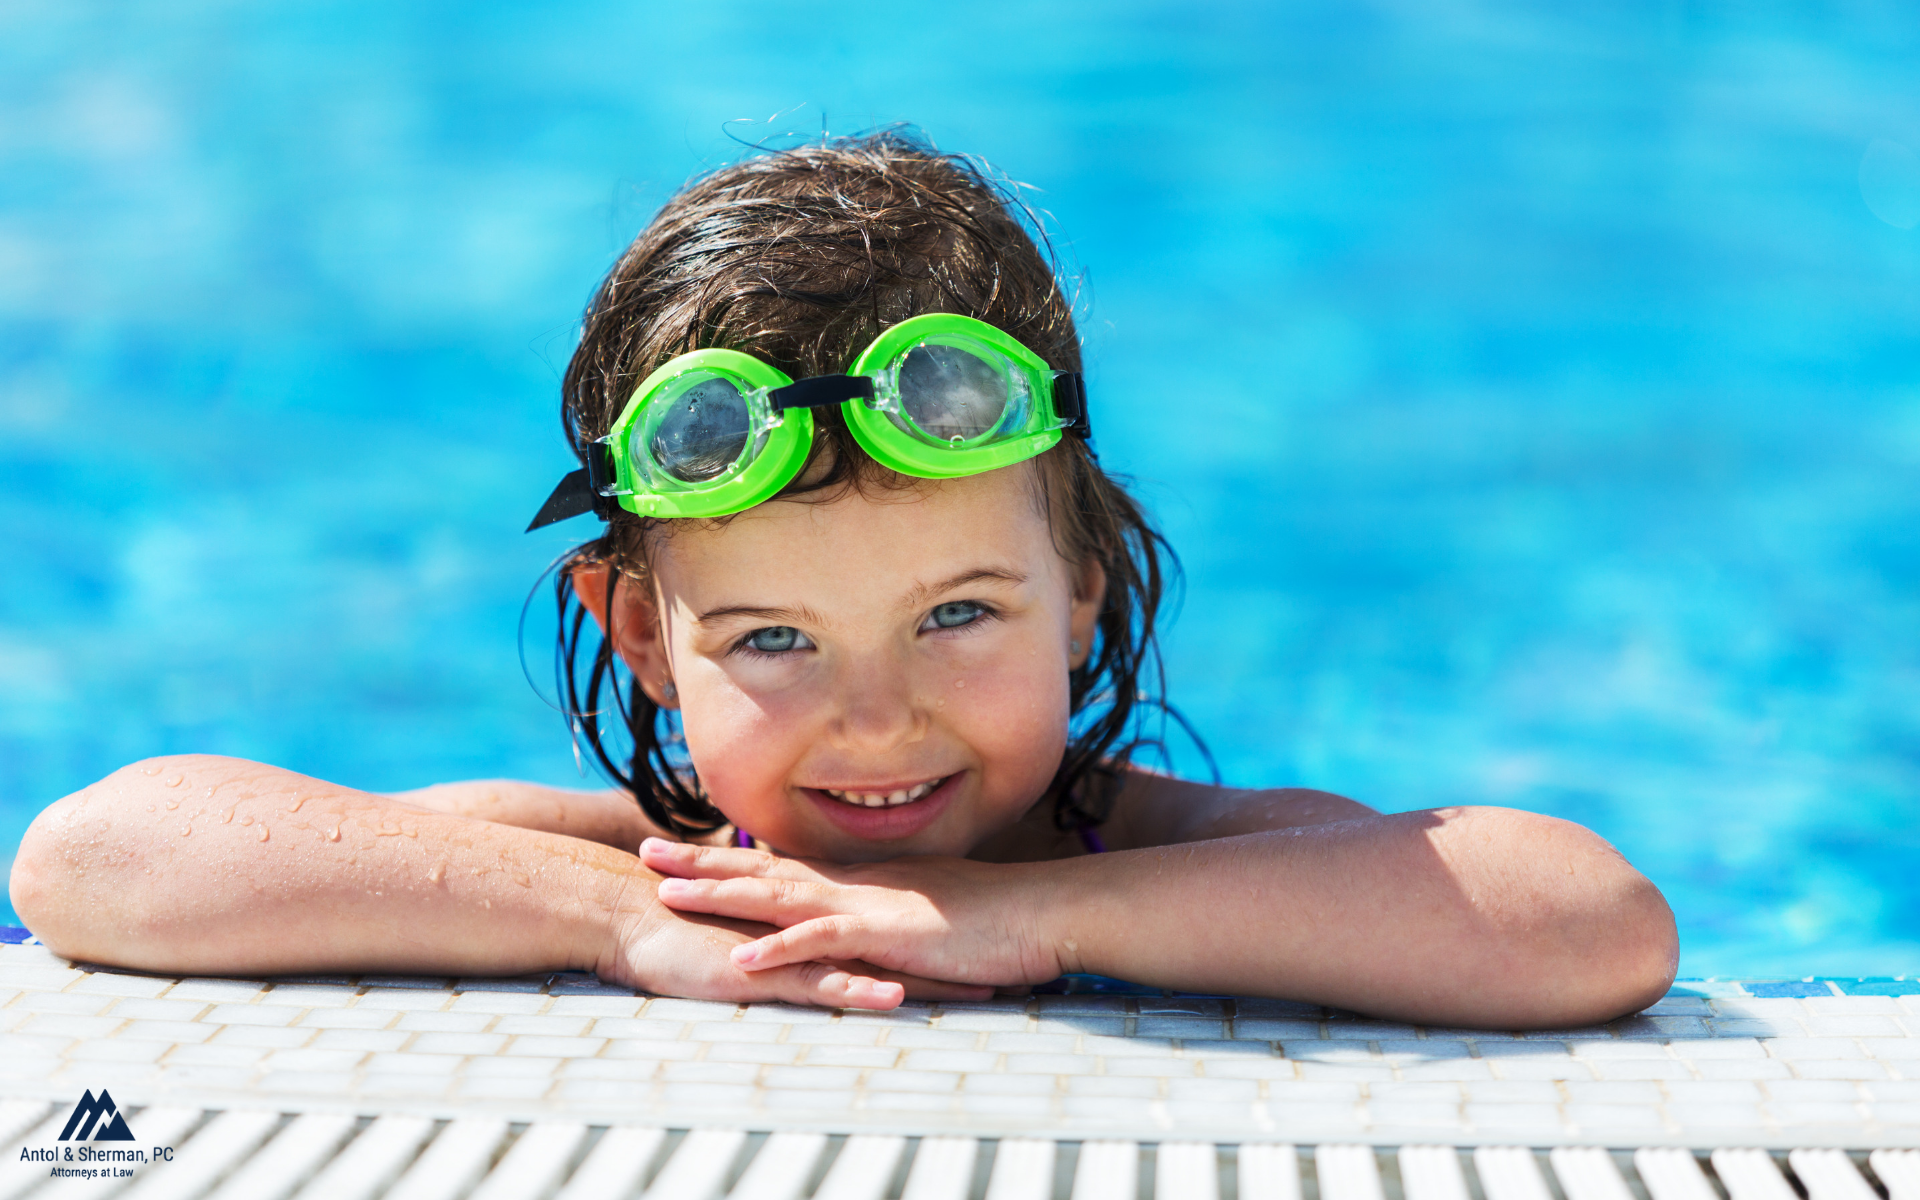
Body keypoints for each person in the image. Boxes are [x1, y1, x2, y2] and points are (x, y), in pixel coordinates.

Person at [9, 133, 1677, 1028]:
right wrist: (622, 931)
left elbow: (1590, 920)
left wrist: (1021, 920)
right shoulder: (658, 873)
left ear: (1086, 587)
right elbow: (94, 855)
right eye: (774, 639)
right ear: (642, 639)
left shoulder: (1155, 853)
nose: (878, 719)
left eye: (960, 614)